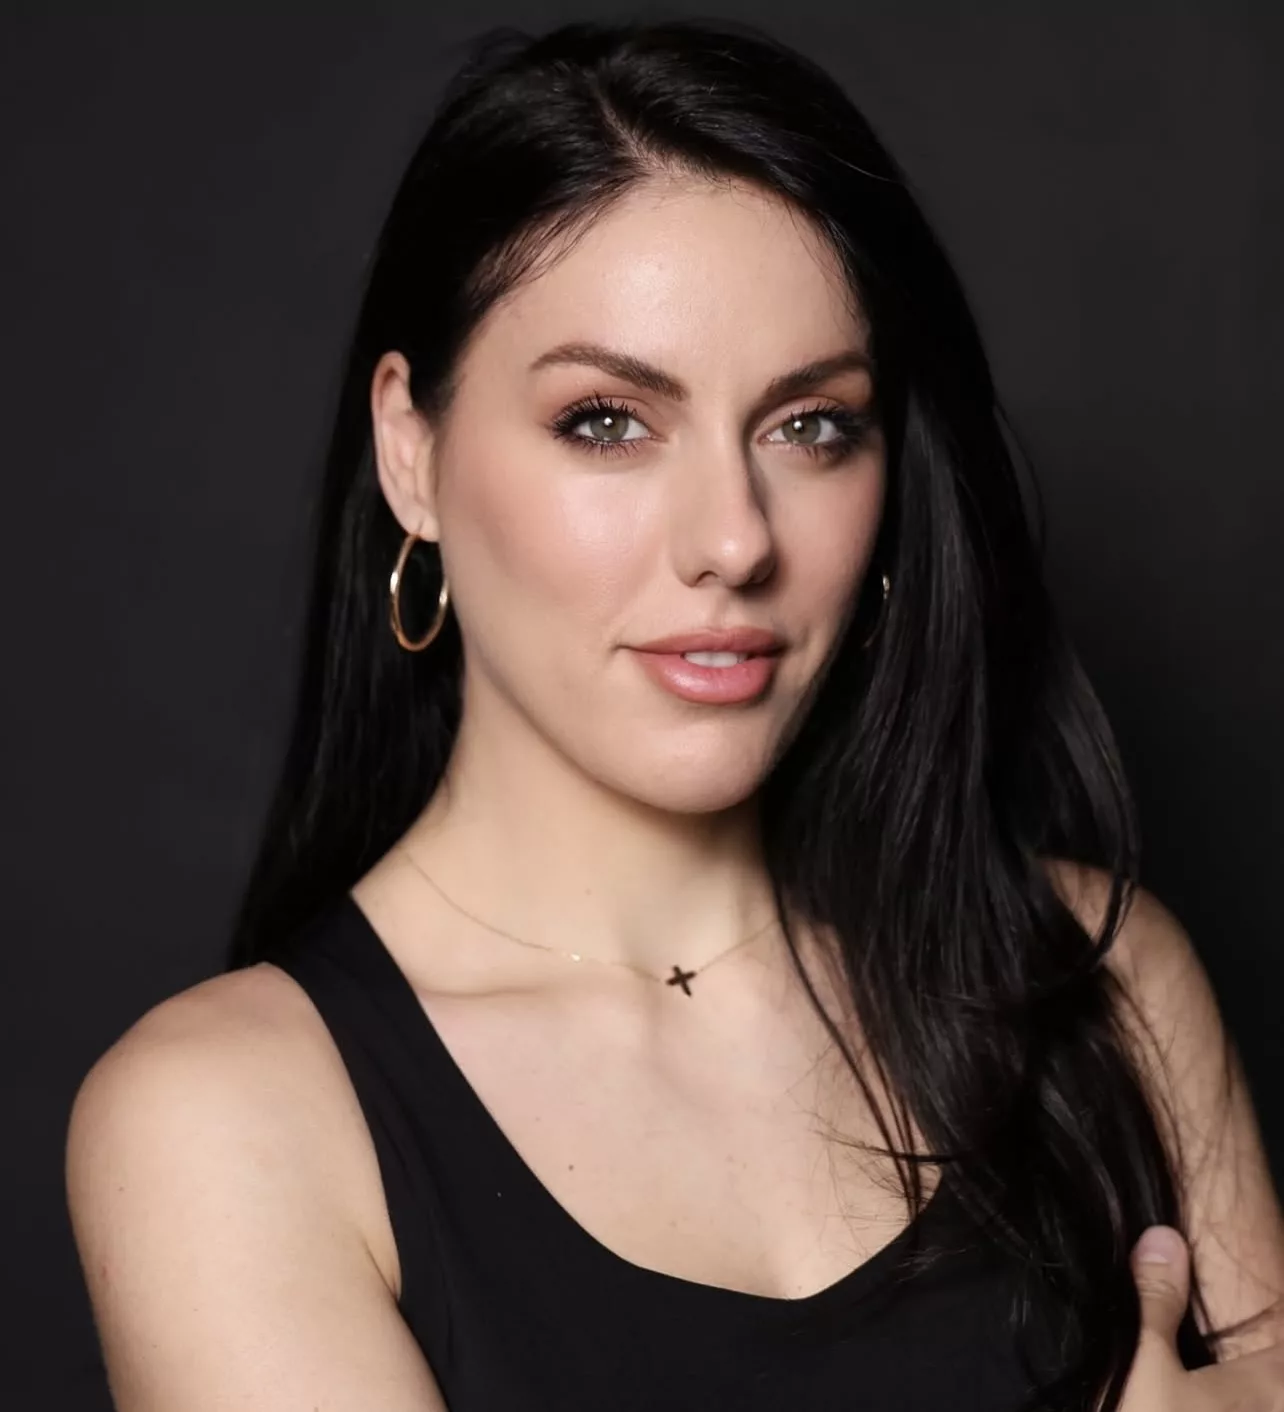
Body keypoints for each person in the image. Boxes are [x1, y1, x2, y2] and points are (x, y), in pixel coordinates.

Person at [65, 17, 1284, 1411]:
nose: (734, 540)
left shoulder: (1098, 979)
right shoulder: (228, 1120)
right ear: (411, 449)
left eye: (811, 425)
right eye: (607, 421)